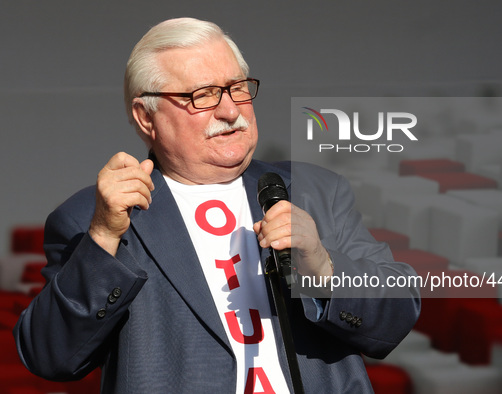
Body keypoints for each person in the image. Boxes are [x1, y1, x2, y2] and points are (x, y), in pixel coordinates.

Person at [14, 17, 420, 393]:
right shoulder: (94, 217)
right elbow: (52, 357)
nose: (230, 111)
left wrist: (323, 267)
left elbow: (398, 315)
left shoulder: (314, 189)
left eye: (237, 87)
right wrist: (103, 238)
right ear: (146, 117)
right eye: (202, 95)